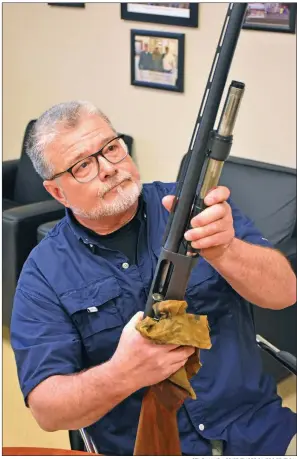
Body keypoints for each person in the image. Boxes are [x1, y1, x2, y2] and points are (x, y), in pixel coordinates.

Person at [11, 101, 296, 456]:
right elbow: (47, 410)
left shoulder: (194, 209)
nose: (108, 169)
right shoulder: (43, 273)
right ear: (57, 192)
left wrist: (226, 250)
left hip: (259, 432)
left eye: (111, 148)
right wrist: (123, 373)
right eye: (83, 165)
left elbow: (285, 292)